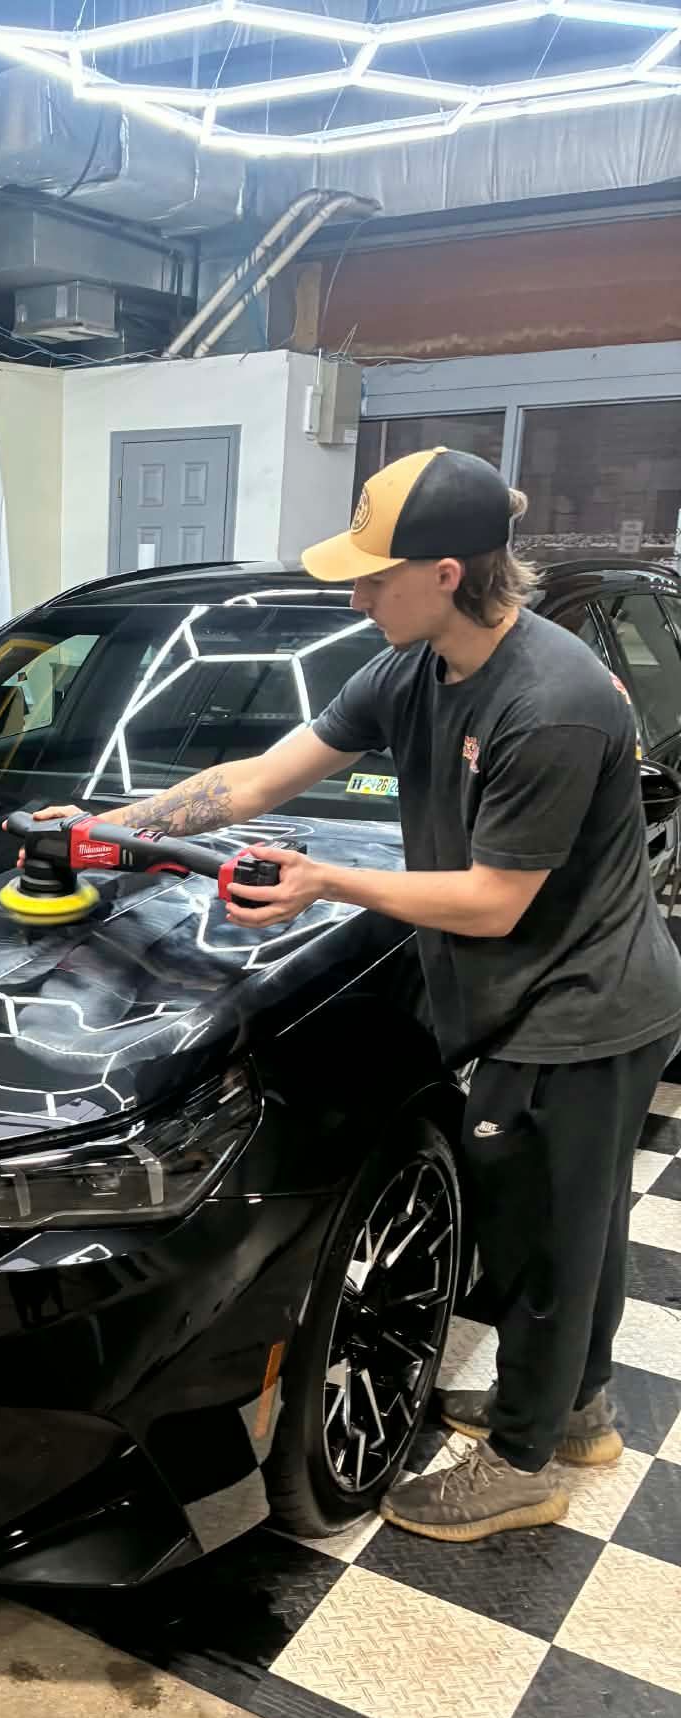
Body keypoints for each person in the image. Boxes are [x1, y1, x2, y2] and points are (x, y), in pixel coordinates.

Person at [34, 447, 681, 1542]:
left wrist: (324, 877)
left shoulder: (554, 698)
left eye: (372, 575)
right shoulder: (412, 668)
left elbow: (491, 900)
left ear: (442, 570)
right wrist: (116, 829)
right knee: (558, 1227)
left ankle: (527, 1458)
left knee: (552, 1237)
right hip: (522, 993)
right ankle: (569, 1410)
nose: (353, 594)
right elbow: (261, 777)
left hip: (584, 1006)